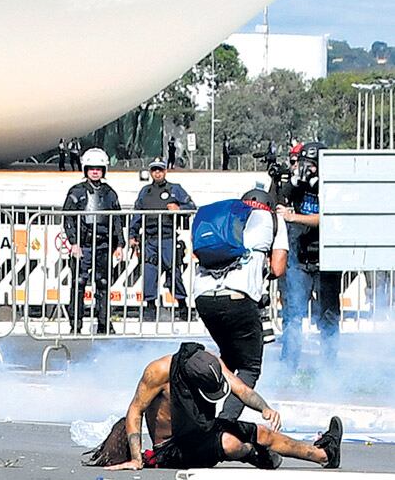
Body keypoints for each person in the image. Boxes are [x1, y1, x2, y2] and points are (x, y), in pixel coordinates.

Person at [88, 343, 342, 471]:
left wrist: (265, 408)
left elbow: (241, 390)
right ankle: (255, 455)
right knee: (231, 444)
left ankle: (324, 454)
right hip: (173, 447)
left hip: (202, 428)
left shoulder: (207, 360)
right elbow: (135, 410)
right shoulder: (158, 372)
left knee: (264, 432)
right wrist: (136, 458)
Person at [193, 188, 288, 420]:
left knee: (228, 359)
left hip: (204, 297)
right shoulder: (274, 220)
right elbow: (278, 268)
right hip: (239, 297)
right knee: (249, 367)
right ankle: (224, 424)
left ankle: (198, 414)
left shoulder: (228, 217)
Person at [277, 142, 342, 367]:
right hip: (300, 257)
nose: (306, 169)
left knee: (328, 315)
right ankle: (289, 364)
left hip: (326, 258)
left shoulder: (332, 186)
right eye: (302, 163)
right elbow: (280, 202)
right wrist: (294, 181)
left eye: (311, 165)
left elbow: (327, 217)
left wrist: (294, 217)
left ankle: (329, 365)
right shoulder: (297, 185)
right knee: (293, 313)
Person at [62, 148, 124, 335]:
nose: (95, 172)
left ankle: (104, 324)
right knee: (79, 283)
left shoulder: (110, 193)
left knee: (103, 283)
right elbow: (68, 218)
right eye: (91, 168)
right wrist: (74, 243)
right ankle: (76, 325)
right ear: (85, 169)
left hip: (103, 245)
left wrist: (119, 245)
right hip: (84, 245)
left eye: (98, 168)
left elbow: (117, 220)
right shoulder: (77, 191)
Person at [129, 159, 195, 320]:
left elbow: (192, 207)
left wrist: (179, 208)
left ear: (165, 171)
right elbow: (137, 214)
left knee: (174, 274)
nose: (157, 173)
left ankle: (183, 307)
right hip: (150, 239)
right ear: (151, 173)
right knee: (149, 274)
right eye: (154, 170)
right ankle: (150, 308)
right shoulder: (145, 191)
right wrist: (132, 235)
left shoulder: (175, 189)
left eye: (160, 170)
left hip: (168, 239)